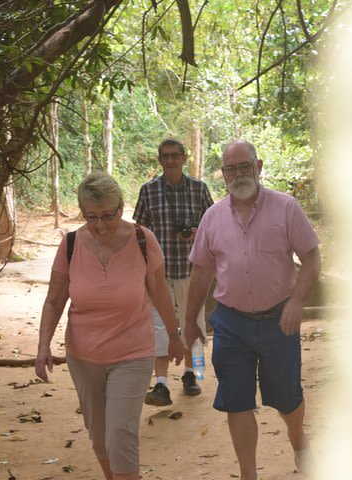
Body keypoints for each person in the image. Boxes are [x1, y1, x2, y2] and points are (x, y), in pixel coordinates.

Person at [183, 140, 321, 478]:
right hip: (231, 323)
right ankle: (249, 474)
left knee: (287, 398)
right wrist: (189, 319)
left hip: (279, 320)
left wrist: (297, 300)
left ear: (258, 167)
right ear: (223, 174)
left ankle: (298, 437)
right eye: (230, 169)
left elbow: (312, 257)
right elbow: (201, 270)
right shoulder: (212, 217)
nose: (238, 174)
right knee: (236, 400)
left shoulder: (286, 208)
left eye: (244, 166)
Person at [34, 171, 184, 480]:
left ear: (121, 207)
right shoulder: (72, 244)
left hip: (133, 352)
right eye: (92, 217)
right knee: (99, 435)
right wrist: (43, 345)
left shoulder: (143, 239)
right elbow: (54, 300)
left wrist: (173, 335)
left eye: (108, 216)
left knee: (120, 431)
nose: (100, 225)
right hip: (84, 356)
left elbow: (158, 291)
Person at [133, 138, 214, 406]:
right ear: (159, 160)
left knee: (194, 321)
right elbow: (140, 230)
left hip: (192, 268)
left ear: (184, 158)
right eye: (165, 156)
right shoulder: (149, 190)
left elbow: (213, 225)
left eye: (174, 155)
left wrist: (194, 234)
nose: (169, 160)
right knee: (159, 325)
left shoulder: (199, 189)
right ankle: (161, 383)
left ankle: (191, 374)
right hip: (158, 271)